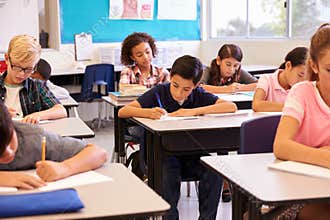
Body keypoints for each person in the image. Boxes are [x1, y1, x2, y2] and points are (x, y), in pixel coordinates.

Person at [119, 55, 237, 220]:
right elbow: (123, 111)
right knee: (169, 174)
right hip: (161, 157)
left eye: (186, 89)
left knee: (215, 172)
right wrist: (147, 112)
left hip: (192, 157)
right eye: (175, 85)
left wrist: (190, 111)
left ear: (196, 86)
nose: (179, 93)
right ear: (171, 77)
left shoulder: (199, 95)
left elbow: (231, 107)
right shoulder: (159, 92)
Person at [273, 23, 330, 219]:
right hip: (297, 194)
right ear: (314, 66)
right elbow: (281, 146)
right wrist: (324, 156)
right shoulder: (302, 92)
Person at [0, 100, 108, 190]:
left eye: (10, 139)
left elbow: (99, 153)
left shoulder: (31, 137)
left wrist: (65, 167)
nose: (8, 151)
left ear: (12, 125)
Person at [0, 35, 67, 124]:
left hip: (30, 135)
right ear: (7, 59)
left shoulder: (36, 86)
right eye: (16, 67)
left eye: (28, 69)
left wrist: (38, 115)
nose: (21, 74)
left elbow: (61, 111)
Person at [252, 47, 308, 112]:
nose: (301, 81)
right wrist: (292, 107)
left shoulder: (302, 87)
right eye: (300, 75)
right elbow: (256, 105)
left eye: (305, 79)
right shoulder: (266, 80)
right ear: (288, 65)